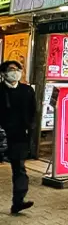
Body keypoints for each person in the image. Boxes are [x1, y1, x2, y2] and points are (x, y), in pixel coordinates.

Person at [0, 61, 36, 214]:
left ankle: (18, 202)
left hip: (19, 136)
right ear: (3, 74)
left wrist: (30, 129)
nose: (15, 72)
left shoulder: (27, 90)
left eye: (17, 69)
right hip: (1, 134)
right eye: (11, 70)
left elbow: (33, 111)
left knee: (19, 169)